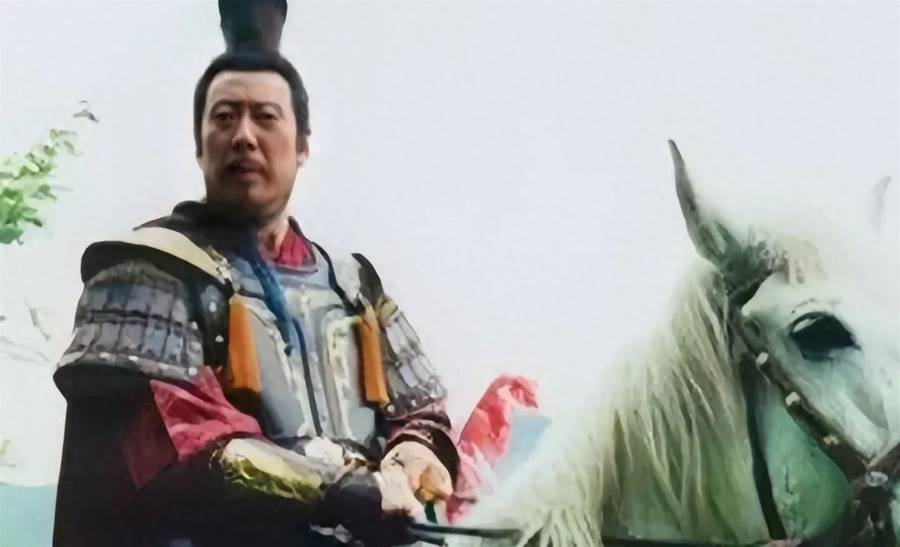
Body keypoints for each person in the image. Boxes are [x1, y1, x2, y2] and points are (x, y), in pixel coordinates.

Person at [52, 4, 458, 546]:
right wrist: (342, 489)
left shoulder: (353, 287)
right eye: (224, 118)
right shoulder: (150, 272)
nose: (243, 136)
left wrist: (414, 452)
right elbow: (187, 443)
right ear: (200, 146)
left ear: (303, 145)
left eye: (266, 117)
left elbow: (421, 410)